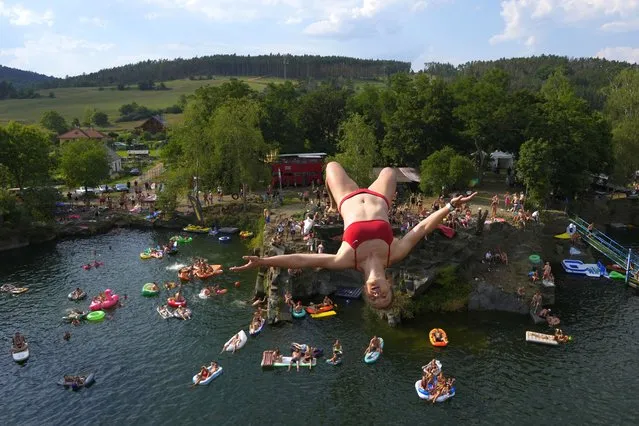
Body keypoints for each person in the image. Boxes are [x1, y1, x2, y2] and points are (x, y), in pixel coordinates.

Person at [230, 162, 477, 310]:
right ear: (389, 285)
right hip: (379, 198)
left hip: (347, 197)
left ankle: (331, 201)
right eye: (384, 296)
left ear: (365, 291)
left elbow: (303, 260)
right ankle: (342, 198)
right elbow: (422, 228)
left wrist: (264, 261)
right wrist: (450, 207)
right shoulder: (395, 252)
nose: (377, 294)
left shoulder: (345, 259)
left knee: (332, 166)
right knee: (390, 171)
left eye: (374, 298)